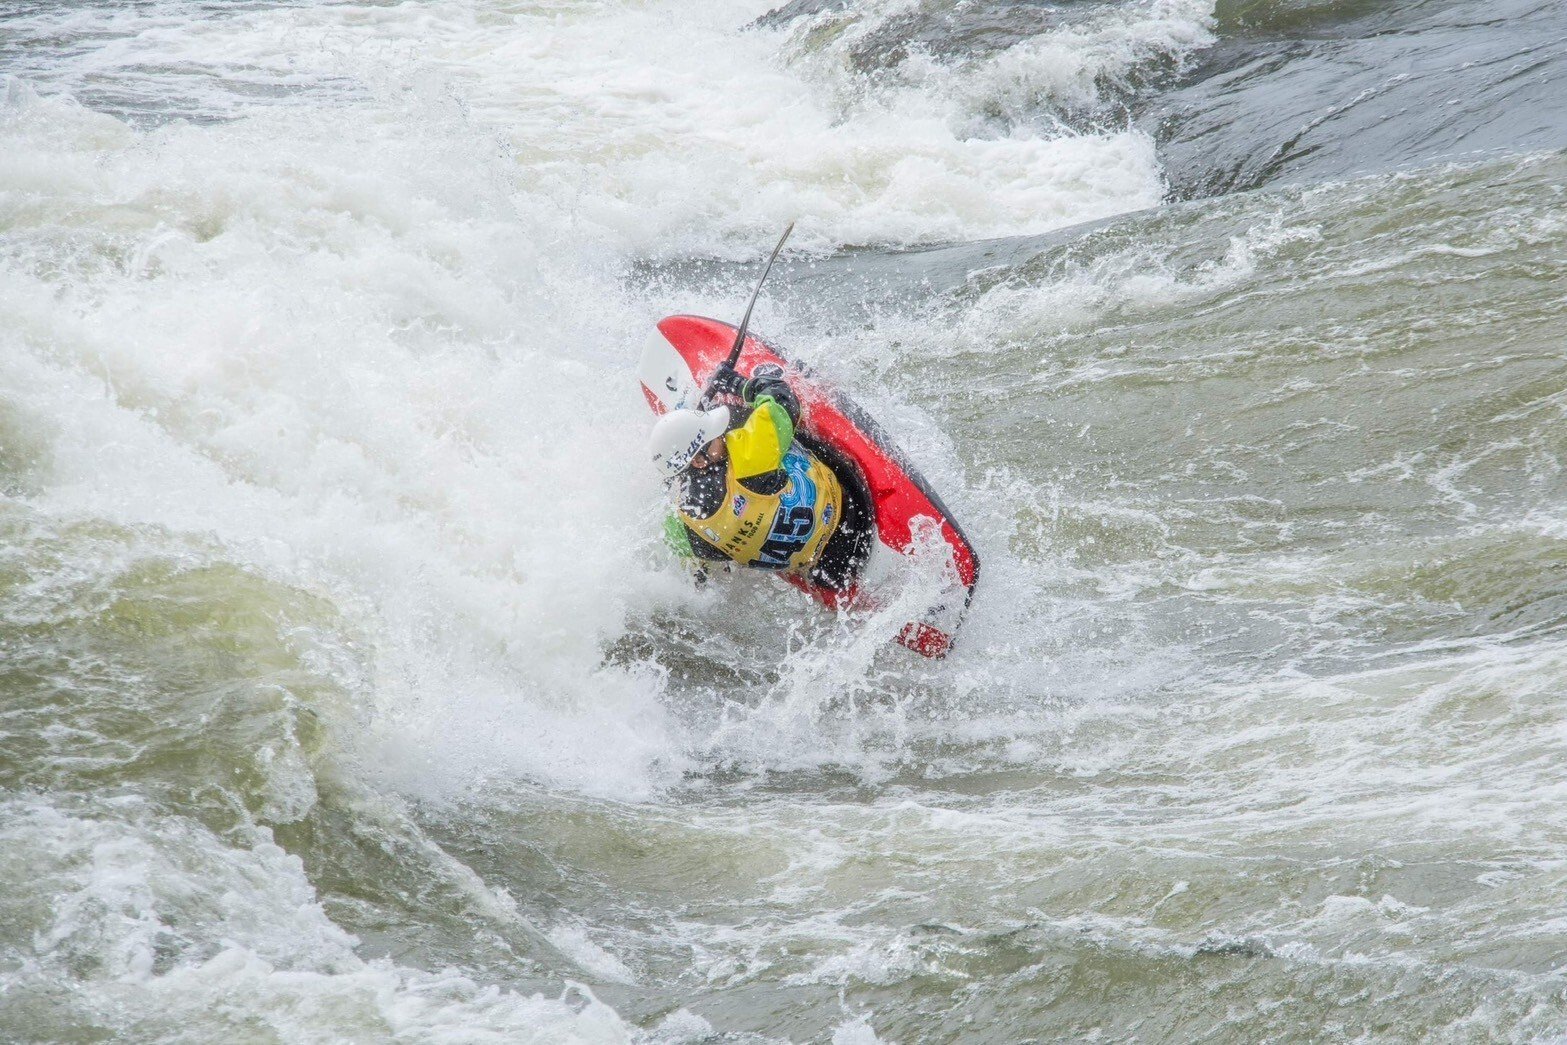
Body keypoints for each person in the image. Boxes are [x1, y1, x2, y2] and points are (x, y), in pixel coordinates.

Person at [649, 363, 870, 591]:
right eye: (714, 437)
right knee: (766, 424)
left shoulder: (685, 525)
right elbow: (784, 400)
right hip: (852, 508)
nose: (721, 435)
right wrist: (740, 385)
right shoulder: (747, 457)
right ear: (697, 461)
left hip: (830, 570)